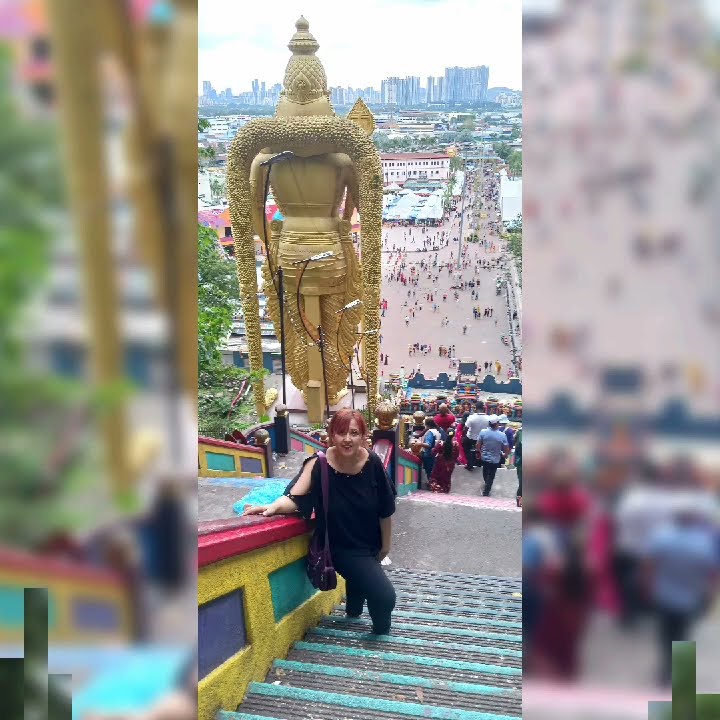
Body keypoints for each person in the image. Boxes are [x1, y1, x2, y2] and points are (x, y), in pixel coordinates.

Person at [244, 409, 397, 635]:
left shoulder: (372, 462)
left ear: (364, 436)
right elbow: (295, 497)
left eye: (354, 433)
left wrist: (385, 547)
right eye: (341, 432)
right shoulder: (319, 464)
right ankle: (381, 634)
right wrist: (272, 507)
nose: (347, 439)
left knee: (362, 578)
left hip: (370, 543)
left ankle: (353, 611)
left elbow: (385, 509)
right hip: (340, 546)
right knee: (385, 597)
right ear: (331, 435)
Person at [476, 415, 510, 496]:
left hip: (484, 457)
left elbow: (478, 445)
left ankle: (486, 485)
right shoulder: (502, 435)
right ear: (497, 424)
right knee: (492, 475)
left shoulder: (483, 432)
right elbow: (506, 447)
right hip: (495, 459)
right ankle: (487, 490)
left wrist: (479, 452)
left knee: (485, 472)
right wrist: (505, 455)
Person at [463, 407, 489, 471]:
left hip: (471, 437)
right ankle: (479, 464)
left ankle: (470, 465)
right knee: (480, 451)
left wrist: (464, 435)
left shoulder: (472, 417)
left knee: (468, 451)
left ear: (476, 409)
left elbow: (466, 427)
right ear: (483, 409)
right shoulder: (488, 418)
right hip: (482, 438)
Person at [420, 417, 442, 486]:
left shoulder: (430, 432)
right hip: (434, 454)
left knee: (429, 470)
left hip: (428, 454)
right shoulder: (437, 431)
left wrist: (419, 444)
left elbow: (428, 444)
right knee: (433, 470)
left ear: (426, 425)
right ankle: (433, 484)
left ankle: (431, 484)